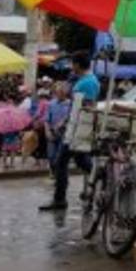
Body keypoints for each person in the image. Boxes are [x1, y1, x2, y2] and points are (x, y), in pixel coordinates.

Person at [40, 54, 98, 211]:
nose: (71, 66)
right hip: (73, 127)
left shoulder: (88, 82)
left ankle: (60, 200)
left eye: (73, 63)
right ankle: (100, 177)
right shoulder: (84, 81)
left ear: (78, 64)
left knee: (61, 162)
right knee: (79, 161)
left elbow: (86, 107)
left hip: (77, 129)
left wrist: (68, 123)